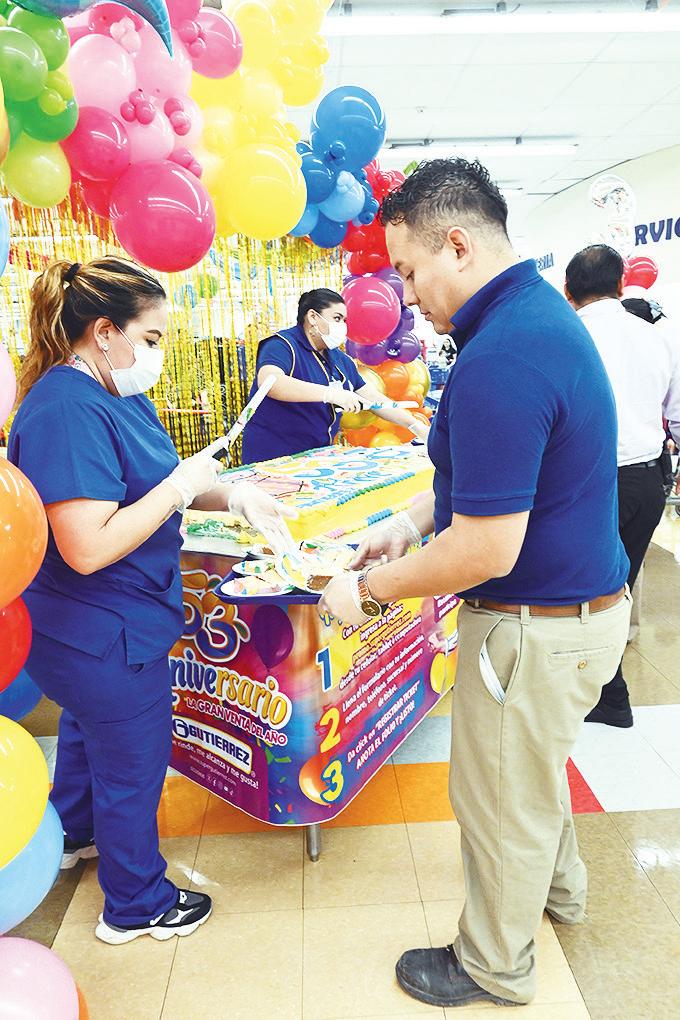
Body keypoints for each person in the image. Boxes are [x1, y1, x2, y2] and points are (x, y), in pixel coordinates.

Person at [320, 158, 630, 1009]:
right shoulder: (532, 319)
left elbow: (487, 547)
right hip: (578, 611)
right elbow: (494, 481)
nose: (405, 295)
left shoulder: (504, 354)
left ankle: (494, 964)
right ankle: (560, 893)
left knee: (499, 801)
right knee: (531, 775)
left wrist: (370, 591)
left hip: (533, 625)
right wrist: (408, 523)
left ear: (457, 245)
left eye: (410, 271)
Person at [8, 257, 294, 945]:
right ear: (105, 331)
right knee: (132, 764)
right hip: (99, 632)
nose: (158, 354)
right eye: (152, 337)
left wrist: (234, 495)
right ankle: (135, 904)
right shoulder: (66, 409)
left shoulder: (113, 390)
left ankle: (75, 832)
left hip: (106, 625)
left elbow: (161, 477)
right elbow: (87, 545)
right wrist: (177, 491)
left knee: (89, 731)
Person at [565, 245, 680, 727]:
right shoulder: (657, 337)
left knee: (581, 592)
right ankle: (605, 692)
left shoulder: (566, 334)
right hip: (648, 479)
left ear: (568, 291)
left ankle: (604, 693)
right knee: (621, 587)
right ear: (619, 286)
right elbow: (676, 414)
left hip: (588, 482)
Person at [240, 287, 429, 463]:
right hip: (273, 457)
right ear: (313, 317)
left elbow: (374, 399)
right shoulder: (281, 345)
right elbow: (271, 383)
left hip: (314, 457)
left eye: (344, 321)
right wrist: (330, 394)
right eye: (337, 318)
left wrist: (414, 425)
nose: (343, 326)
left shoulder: (341, 360)